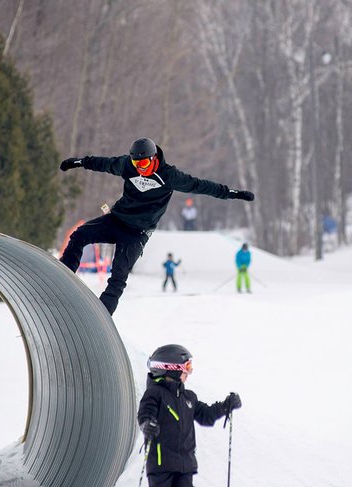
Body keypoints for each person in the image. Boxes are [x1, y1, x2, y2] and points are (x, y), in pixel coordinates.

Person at [59, 137, 254, 315]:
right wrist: (79, 162)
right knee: (80, 235)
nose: (140, 168)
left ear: (154, 159)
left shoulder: (169, 175)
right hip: (116, 219)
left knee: (118, 276)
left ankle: (99, 317)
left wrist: (231, 193)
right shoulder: (128, 165)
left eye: (143, 163)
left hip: (136, 234)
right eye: (136, 163)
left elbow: (200, 185)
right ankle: (61, 278)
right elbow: (104, 163)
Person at [137, 344, 242, 487]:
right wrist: (147, 424)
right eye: (187, 367)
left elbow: (206, 415)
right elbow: (146, 413)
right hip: (162, 467)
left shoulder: (188, 398)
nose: (189, 372)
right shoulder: (155, 394)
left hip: (185, 467)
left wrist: (226, 406)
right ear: (172, 368)